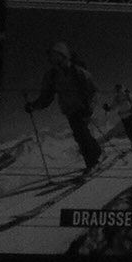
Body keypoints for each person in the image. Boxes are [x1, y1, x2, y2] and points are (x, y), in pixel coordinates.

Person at [29, 40, 104, 170]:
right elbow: (46, 96)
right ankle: (96, 153)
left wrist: (89, 107)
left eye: (54, 55)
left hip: (82, 108)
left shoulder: (77, 72)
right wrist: (33, 106)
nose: (51, 59)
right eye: (51, 56)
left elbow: (94, 91)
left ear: (62, 55)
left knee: (81, 135)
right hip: (71, 110)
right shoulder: (53, 75)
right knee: (81, 134)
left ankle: (93, 162)